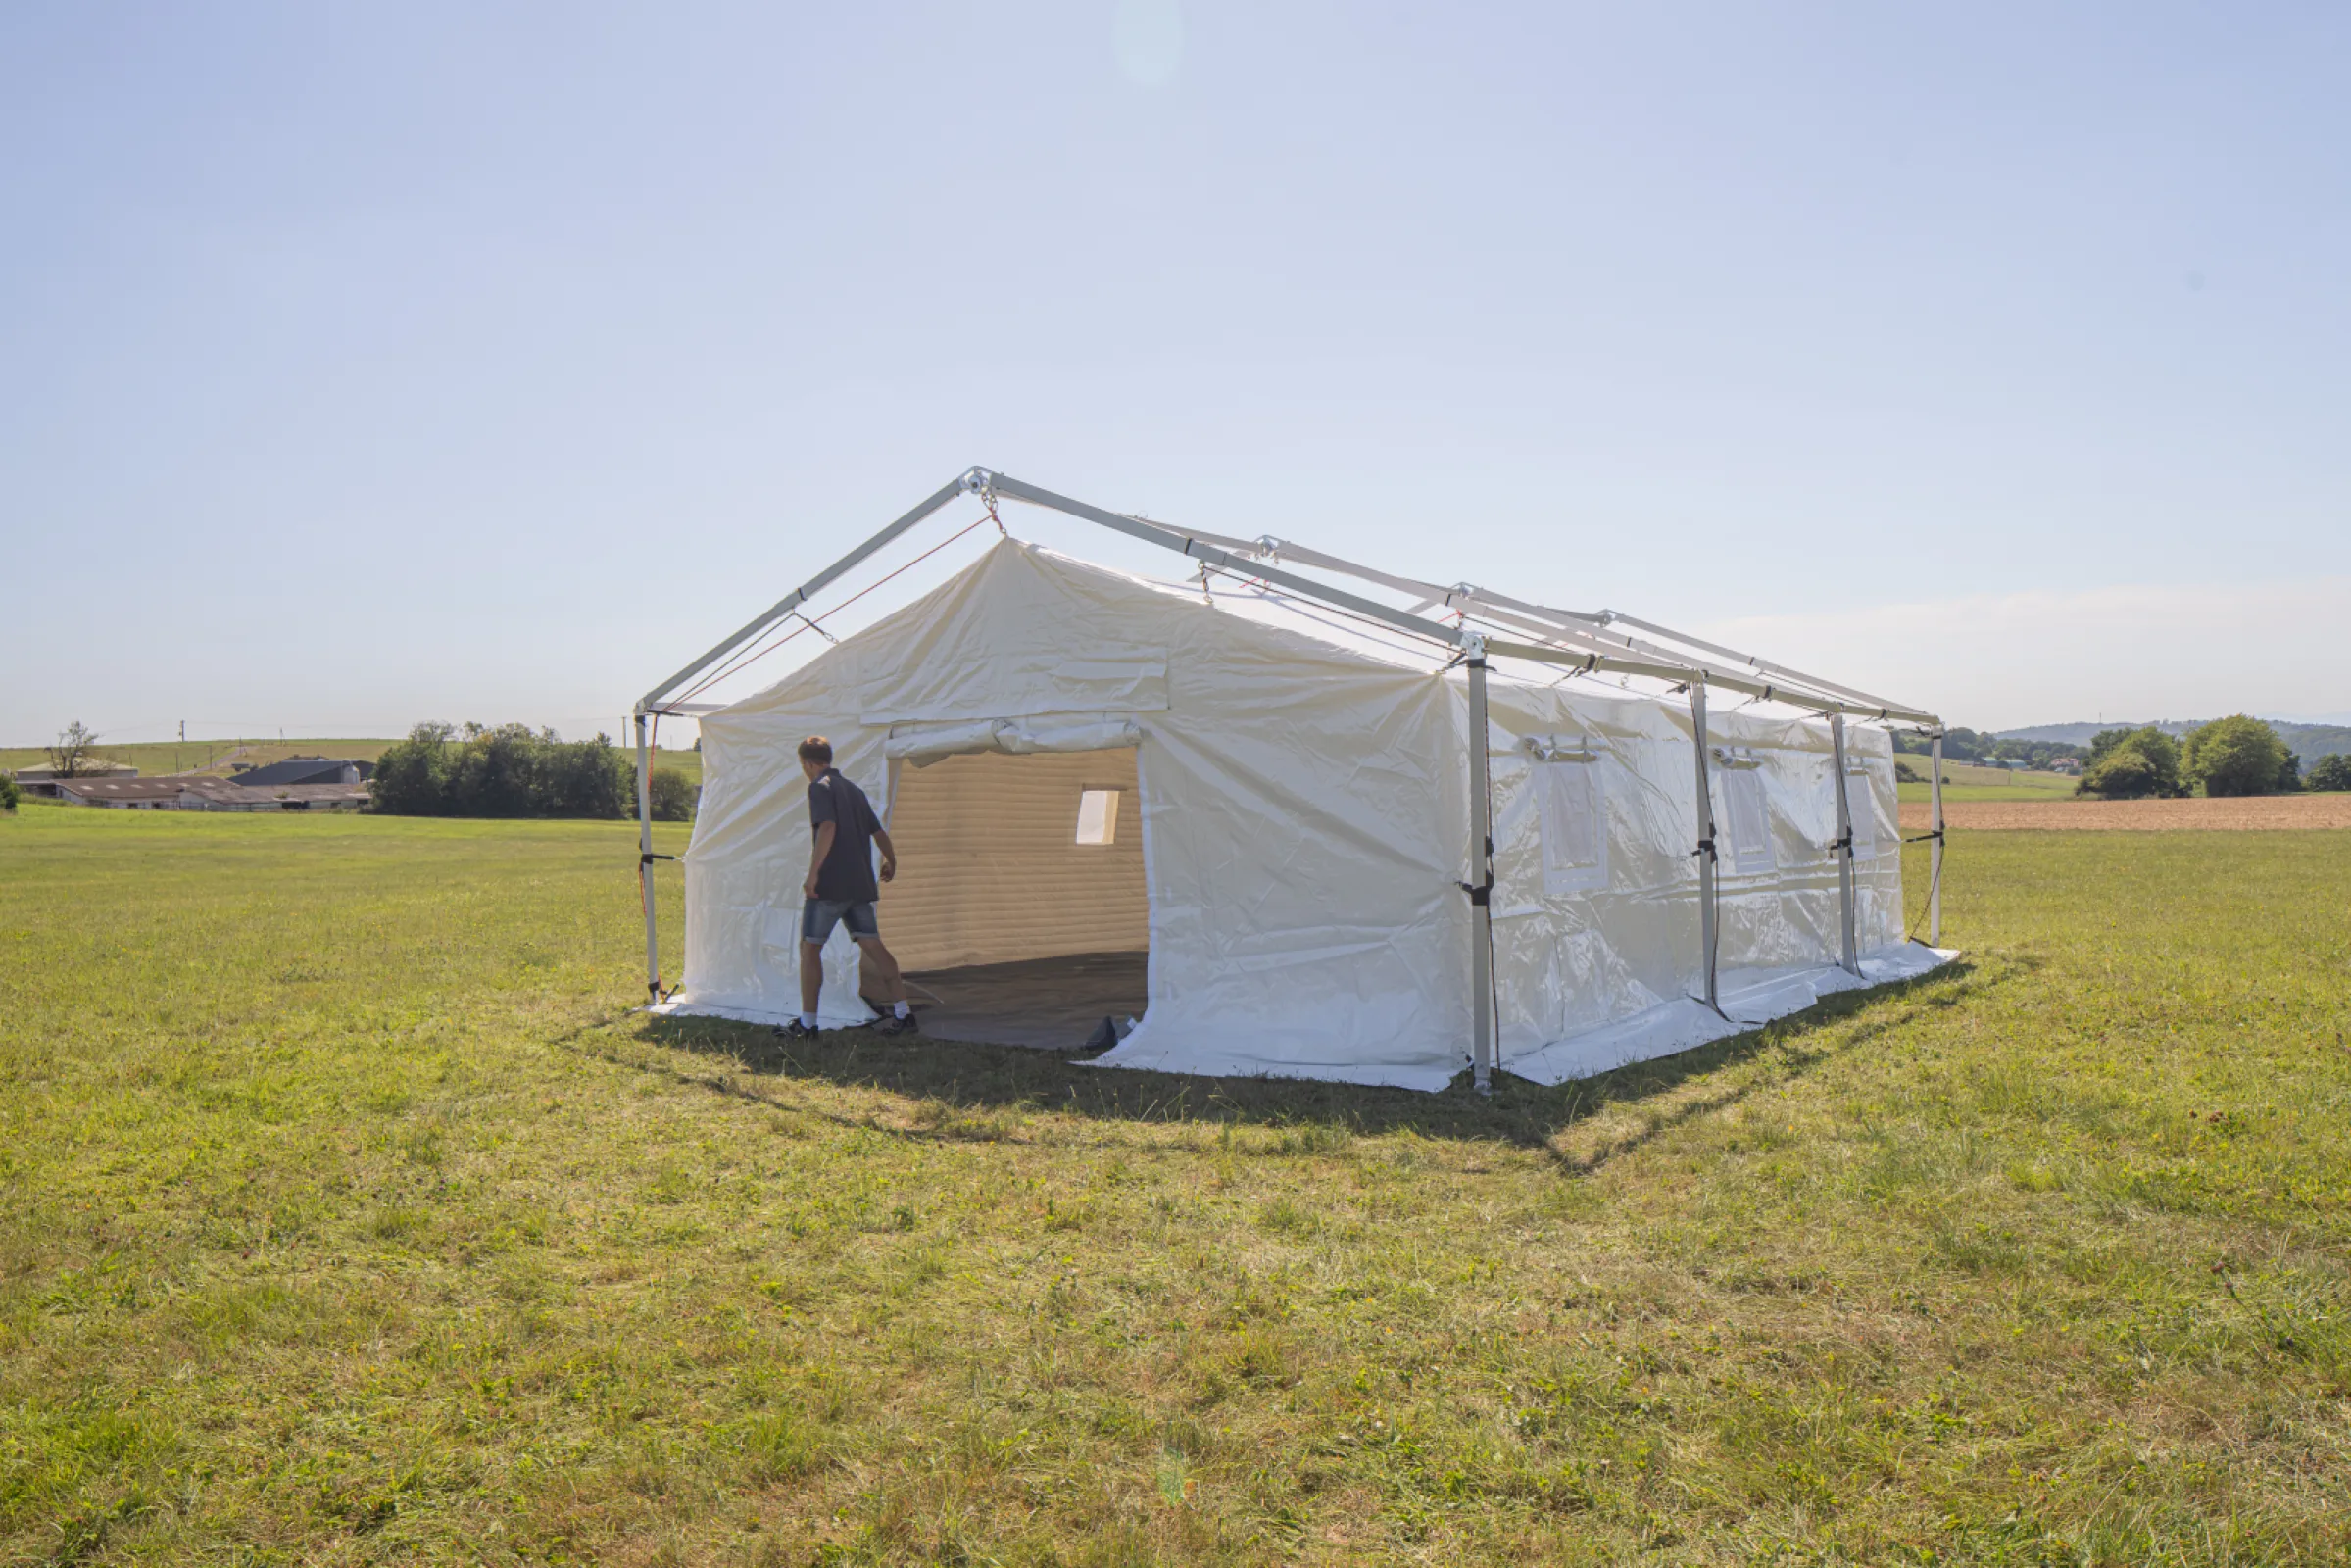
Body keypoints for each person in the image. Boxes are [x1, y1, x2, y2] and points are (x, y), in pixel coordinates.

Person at [780, 736, 916, 1039]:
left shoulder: (819, 786)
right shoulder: (854, 790)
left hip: (830, 885)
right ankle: (904, 1013)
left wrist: (813, 874)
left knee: (810, 948)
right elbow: (878, 831)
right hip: (860, 885)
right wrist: (891, 860)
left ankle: (807, 1023)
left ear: (808, 763)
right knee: (873, 945)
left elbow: (827, 827)